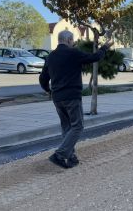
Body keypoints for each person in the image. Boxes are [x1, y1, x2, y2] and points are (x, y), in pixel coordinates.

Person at [39, 30, 111, 168]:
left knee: (67, 127)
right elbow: (94, 57)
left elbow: (43, 78)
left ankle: (70, 157)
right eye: (72, 41)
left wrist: (48, 90)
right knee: (77, 126)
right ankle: (60, 155)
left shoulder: (51, 56)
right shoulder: (73, 53)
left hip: (57, 98)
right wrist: (105, 47)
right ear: (68, 40)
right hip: (72, 97)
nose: (73, 43)